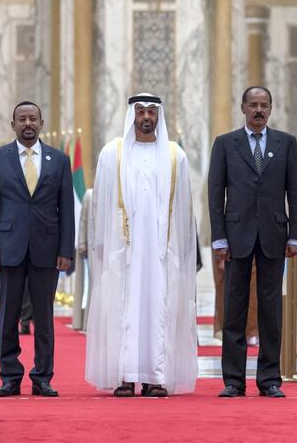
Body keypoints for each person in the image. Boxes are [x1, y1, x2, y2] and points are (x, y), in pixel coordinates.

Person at [86, 93, 197, 397]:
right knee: (122, 307)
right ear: (131, 116)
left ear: (158, 116)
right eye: (140, 111)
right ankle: (124, 375)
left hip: (162, 252)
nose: (146, 117)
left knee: (159, 307)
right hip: (123, 251)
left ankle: (155, 377)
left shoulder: (176, 155)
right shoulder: (112, 153)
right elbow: (102, 207)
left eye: (151, 111)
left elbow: (186, 211)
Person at [208, 85, 297, 398]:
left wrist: (296, 235)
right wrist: (219, 237)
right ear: (243, 108)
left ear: (271, 109)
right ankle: (233, 381)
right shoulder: (225, 144)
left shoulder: (286, 144)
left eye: (264, 105)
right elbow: (215, 193)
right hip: (236, 239)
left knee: (271, 310)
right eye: (253, 105)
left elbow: (294, 193)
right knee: (234, 309)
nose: (259, 110)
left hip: (275, 237)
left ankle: (269, 379)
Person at [0, 101, 74, 398]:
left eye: (32, 118)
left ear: (41, 123)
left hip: (47, 249)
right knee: (8, 315)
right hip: (8, 249)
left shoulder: (59, 160)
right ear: (13, 125)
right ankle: (10, 376)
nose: (27, 123)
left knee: (44, 318)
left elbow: (67, 209)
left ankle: (42, 377)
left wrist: (66, 250)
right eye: (21, 119)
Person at [72, 188, 94, 331]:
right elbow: (84, 221)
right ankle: (85, 321)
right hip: (91, 248)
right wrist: (81, 243)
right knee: (90, 286)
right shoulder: (89, 195)